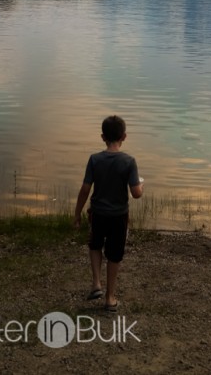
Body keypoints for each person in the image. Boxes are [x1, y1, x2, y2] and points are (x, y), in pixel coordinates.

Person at [74, 115, 143, 311]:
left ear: (103, 137)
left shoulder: (94, 160)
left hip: (97, 213)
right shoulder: (129, 161)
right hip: (119, 216)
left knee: (95, 245)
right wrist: (142, 185)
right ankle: (110, 297)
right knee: (114, 254)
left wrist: (77, 213)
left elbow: (85, 189)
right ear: (124, 136)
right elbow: (136, 194)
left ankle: (96, 283)